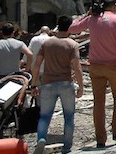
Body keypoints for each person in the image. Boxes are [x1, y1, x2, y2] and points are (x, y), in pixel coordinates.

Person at [68, 0, 116, 147]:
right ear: (114, 5)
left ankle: (100, 139)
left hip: (96, 67)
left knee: (99, 102)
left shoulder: (92, 19)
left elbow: (72, 29)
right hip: (115, 66)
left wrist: (88, 14)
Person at [31, 16, 84, 154]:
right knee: (69, 116)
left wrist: (34, 85)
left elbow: (36, 65)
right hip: (66, 84)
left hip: (48, 84)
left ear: (57, 26)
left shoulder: (47, 44)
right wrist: (81, 86)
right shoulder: (72, 44)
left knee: (44, 116)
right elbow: (77, 67)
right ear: (69, 27)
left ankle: (41, 139)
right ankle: (67, 147)